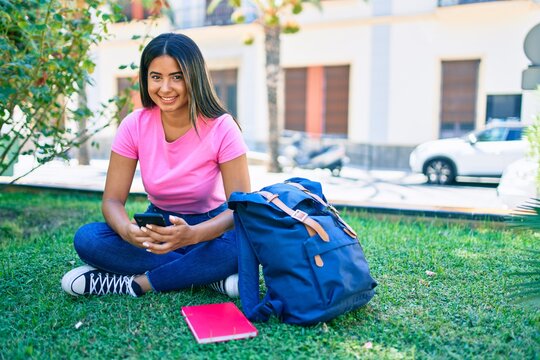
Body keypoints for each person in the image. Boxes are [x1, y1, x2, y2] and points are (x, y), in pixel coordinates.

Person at [61, 33, 250, 298]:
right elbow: (112, 201)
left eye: (176, 76)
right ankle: (206, 277)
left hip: (209, 228)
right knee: (88, 238)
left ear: (193, 77)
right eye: (156, 77)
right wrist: (127, 231)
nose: (165, 88)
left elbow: (240, 209)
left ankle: (136, 284)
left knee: (239, 246)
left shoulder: (222, 127)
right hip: (157, 228)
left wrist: (193, 235)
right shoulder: (134, 125)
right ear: (145, 78)